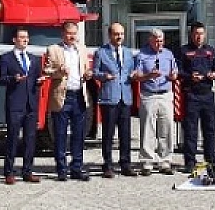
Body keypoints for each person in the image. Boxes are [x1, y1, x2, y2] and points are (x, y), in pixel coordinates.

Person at [43, 21, 93, 181]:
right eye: (69, 33)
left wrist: (88, 74)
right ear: (63, 34)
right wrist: (59, 71)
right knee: (60, 134)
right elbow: (47, 71)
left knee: (79, 134)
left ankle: (77, 168)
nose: (72, 36)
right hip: (62, 97)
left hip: (79, 95)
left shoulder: (82, 49)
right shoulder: (53, 49)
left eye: (74, 33)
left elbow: (85, 68)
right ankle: (61, 169)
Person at [0, 27, 43, 185]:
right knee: (12, 138)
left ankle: (27, 170)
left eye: (27, 37)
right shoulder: (6, 58)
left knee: (30, 139)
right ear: (14, 40)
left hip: (31, 104)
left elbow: (37, 78)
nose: (25, 40)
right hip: (15, 103)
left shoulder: (34, 59)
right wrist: (13, 78)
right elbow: (0, 79)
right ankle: (9, 172)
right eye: (22, 37)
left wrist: (40, 81)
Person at [92, 22, 137, 178]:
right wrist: (105, 76)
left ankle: (125, 164)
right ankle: (108, 164)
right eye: (117, 34)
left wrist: (134, 75)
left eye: (122, 34)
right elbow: (94, 73)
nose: (120, 37)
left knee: (125, 134)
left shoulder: (128, 52)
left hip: (125, 97)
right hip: (109, 98)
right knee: (108, 134)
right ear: (110, 35)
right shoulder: (101, 52)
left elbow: (132, 70)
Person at [132, 28, 178, 176]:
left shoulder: (168, 54)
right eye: (156, 40)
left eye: (161, 40)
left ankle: (165, 160)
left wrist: (173, 76)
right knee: (148, 129)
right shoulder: (142, 55)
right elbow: (136, 76)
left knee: (167, 128)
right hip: (149, 94)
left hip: (165, 94)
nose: (159, 43)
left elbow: (175, 72)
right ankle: (147, 161)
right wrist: (148, 75)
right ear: (150, 40)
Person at [178, 22, 215, 171]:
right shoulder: (184, 51)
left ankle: (210, 158)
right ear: (191, 34)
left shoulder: (210, 51)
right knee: (190, 129)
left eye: (201, 34)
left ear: (205, 34)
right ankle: (190, 161)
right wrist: (190, 76)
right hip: (191, 94)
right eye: (196, 34)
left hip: (207, 94)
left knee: (210, 128)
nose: (199, 37)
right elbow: (179, 71)